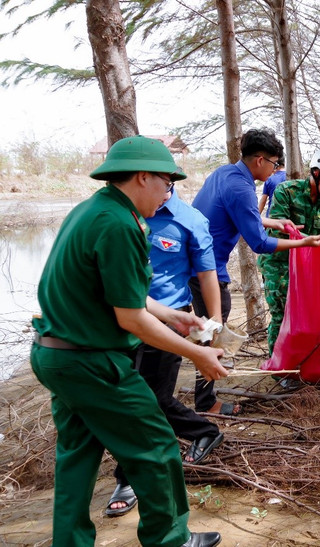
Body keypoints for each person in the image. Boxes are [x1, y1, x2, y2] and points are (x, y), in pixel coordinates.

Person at [30, 135, 224, 547]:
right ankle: (170, 539)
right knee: (154, 443)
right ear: (142, 177)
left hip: (55, 354)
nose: (168, 193)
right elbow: (130, 318)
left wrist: (173, 315)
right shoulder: (120, 224)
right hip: (92, 362)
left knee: (78, 453)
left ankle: (70, 541)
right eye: (166, 183)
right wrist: (197, 354)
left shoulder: (91, 211)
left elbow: (125, 295)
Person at [104, 185, 226, 519]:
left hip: (169, 323)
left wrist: (213, 328)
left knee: (150, 400)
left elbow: (206, 274)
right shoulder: (124, 216)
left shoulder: (190, 220)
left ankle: (128, 479)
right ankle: (200, 432)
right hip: (122, 322)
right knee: (127, 400)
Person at [191, 129, 320, 415]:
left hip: (195, 263)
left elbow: (238, 215)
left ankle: (205, 396)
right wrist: (303, 242)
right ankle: (206, 404)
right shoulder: (241, 188)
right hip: (208, 271)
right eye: (275, 164)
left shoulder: (225, 174)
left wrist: (271, 221)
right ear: (260, 161)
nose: (276, 170)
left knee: (208, 330)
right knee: (212, 333)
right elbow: (259, 244)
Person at [259, 148, 320, 352]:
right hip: (279, 265)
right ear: (317, 173)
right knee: (282, 316)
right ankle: (280, 370)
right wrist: (309, 241)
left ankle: (302, 362)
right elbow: (279, 230)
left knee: (309, 317)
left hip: (308, 269)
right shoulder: (286, 191)